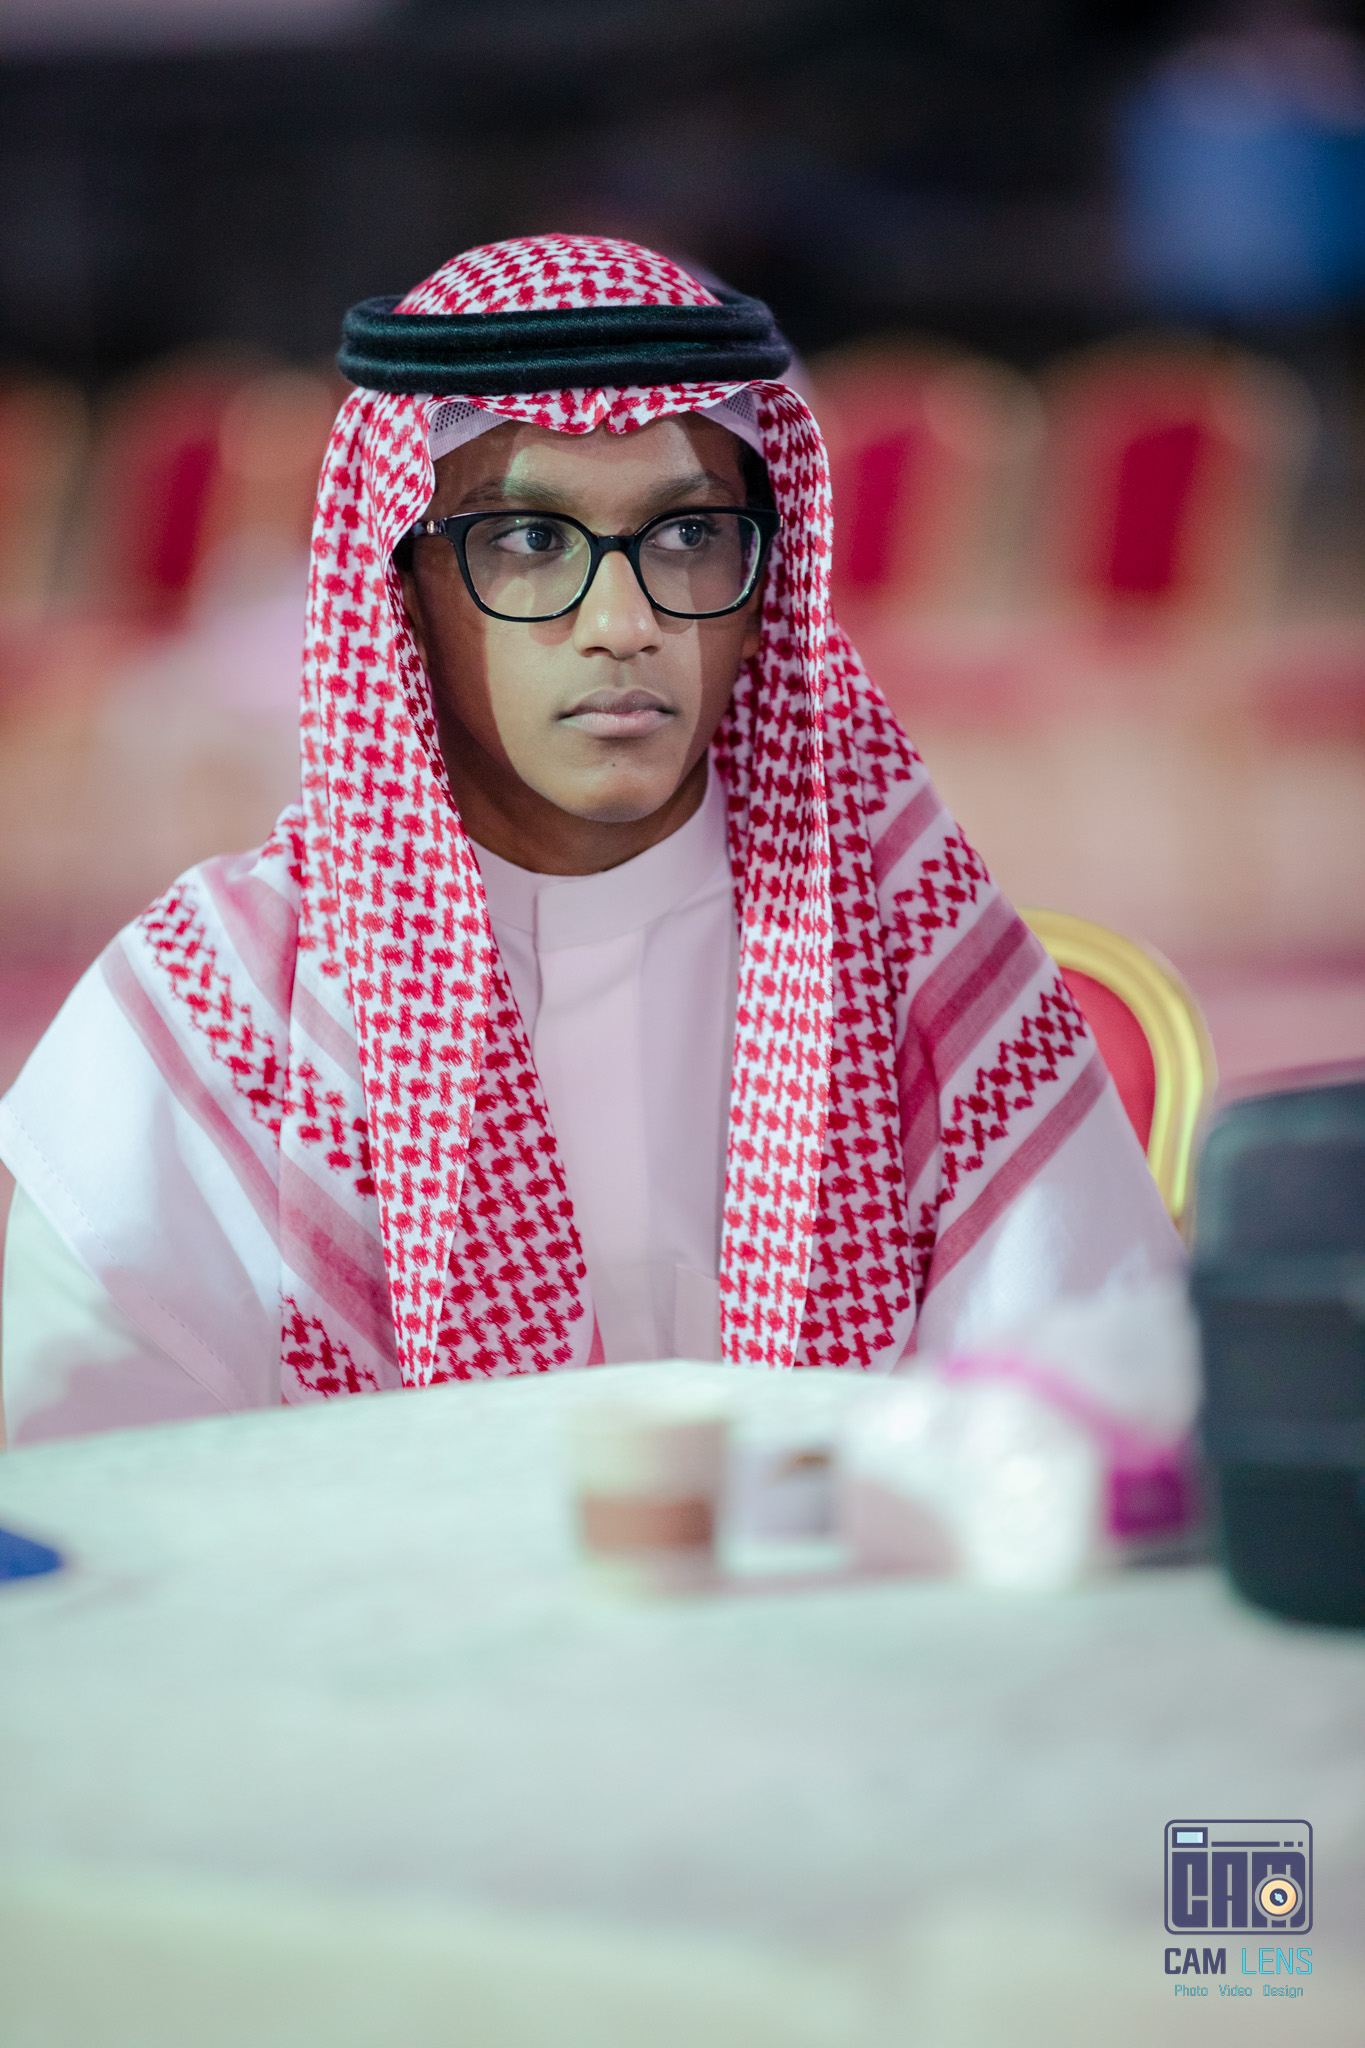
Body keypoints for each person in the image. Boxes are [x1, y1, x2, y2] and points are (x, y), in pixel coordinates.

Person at [0, 235, 1182, 1443]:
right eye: (529, 540)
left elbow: (1105, 1412)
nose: (624, 622)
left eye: (688, 537)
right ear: (400, 590)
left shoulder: (914, 957)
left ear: (766, 583)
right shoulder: (225, 997)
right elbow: (84, 1483)